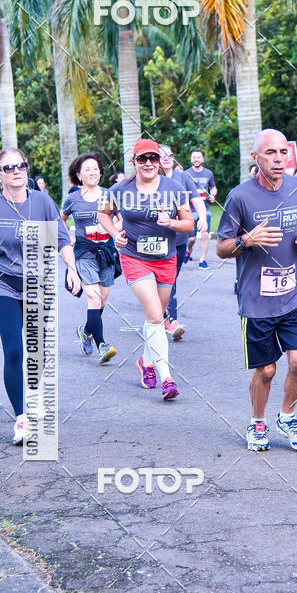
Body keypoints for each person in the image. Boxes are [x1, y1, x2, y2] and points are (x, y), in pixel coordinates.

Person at [0, 148, 80, 444]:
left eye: (21, 165)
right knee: (14, 350)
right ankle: (21, 418)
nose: (17, 171)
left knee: (37, 351)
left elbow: (61, 239)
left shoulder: (43, 202)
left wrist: (71, 270)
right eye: (9, 168)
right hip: (3, 287)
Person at [217, 128, 297, 452]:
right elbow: (221, 248)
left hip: (293, 292)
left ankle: (287, 416)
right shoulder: (239, 197)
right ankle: (257, 421)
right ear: (255, 157)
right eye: (270, 153)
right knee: (267, 369)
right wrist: (247, 240)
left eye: (282, 152)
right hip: (257, 300)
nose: (277, 159)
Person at [99, 138, 194, 400]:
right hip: (134, 257)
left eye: (153, 158)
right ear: (134, 162)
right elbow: (103, 213)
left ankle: (145, 361)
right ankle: (167, 379)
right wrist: (113, 233)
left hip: (166, 259)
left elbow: (189, 225)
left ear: (159, 161)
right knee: (155, 317)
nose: (149, 163)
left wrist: (172, 223)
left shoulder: (174, 188)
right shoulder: (121, 188)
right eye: (143, 159)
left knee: (157, 316)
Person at [61, 152, 117, 364]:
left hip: (106, 252)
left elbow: (121, 220)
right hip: (84, 253)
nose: (92, 172)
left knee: (102, 300)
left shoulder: (110, 195)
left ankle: (85, 331)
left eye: (95, 168)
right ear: (79, 174)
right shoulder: (73, 198)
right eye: (87, 169)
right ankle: (102, 345)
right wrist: (68, 238)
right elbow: (61, 219)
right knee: (93, 298)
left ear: (100, 172)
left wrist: (115, 231)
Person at [158, 144, 207, 340]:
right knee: (166, 279)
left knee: (171, 278)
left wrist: (201, 217)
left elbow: (196, 199)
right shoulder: (153, 178)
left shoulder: (182, 177)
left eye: (170, 155)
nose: (167, 158)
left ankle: (161, 316)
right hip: (156, 238)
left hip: (178, 239)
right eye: (162, 156)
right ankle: (171, 320)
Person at [184, 149, 216, 268]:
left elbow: (213, 187)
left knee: (204, 234)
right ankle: (188, 251)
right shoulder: (186, 174)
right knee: (191, 238)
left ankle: (202, 260)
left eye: (198, 157)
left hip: (205, 209)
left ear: (202, 159)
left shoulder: (208, 173)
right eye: (194, 157)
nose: (196, 159)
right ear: (191, 159)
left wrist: (213, 195)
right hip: (190, 210)